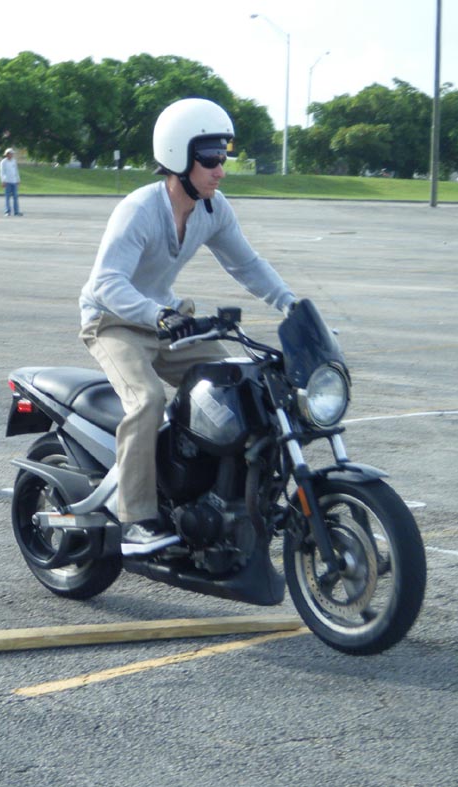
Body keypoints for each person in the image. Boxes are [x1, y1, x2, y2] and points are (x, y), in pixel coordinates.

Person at [77, 98, 299, 555]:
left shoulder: (213, 209)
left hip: (167, 321)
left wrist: (292, 306)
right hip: (112, 321)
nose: (221, 170)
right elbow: (105, 284)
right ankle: (135, 519)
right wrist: (157, 315)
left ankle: (212, 494)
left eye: (224, 156)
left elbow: (246, 264)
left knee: (236, 390)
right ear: (179, 156)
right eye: (211, 157)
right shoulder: (140, 209)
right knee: (147, 400)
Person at [0, 147, 22, 216]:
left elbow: (16, 171)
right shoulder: (3, 162)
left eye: (12, 154)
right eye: (10, 154)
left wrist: (18, 180)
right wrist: (3, 181)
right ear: (7, 154)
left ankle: (16, 212)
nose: (11, 155)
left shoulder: (14, 161)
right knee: (7, 197)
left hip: (14, 181)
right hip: (7, 181)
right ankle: (7, 211)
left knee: (15, 197)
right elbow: (2, 172)